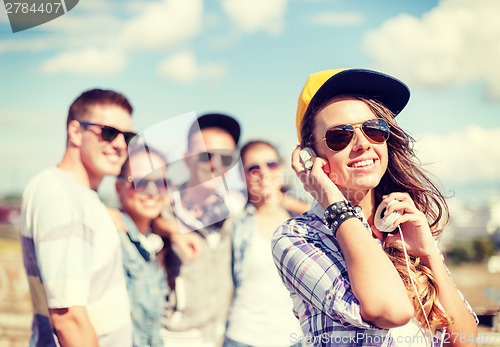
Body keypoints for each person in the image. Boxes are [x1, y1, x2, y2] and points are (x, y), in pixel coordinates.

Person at [271, 68, 478, 346]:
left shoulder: (404, 224)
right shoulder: (296, 237)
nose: (363, 144)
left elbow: (464, 340)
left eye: (374, 129)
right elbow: (391, 310)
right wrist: (333, 202)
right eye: (339, 136)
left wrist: (428, 253)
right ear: (309, 156)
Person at [19, 89, 135, 346]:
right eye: (108, 132)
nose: (120, 144)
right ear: (75, 132)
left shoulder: (80, 198)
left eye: (128, 136)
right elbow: (68, 318)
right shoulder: (61, 197)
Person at [159, 113, 245, 347]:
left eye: (226, 159)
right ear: (186, 158)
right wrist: (171, 229)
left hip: (224, 335)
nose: (215, 165)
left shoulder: (238, 209)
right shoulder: (162, 208)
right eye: (206, 155)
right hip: (176, 337)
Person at [224, 140, 305, 347]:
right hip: (242, 337)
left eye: (271, 164)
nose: (263, 172)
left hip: (293, 338)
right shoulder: (235, 219)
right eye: (253, 168)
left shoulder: (302, 220)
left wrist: (285, 200)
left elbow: (333, 218)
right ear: (242, 176)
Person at [115, 144, 170, 347]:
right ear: (118, 187)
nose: (152, 191)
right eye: (140, 182)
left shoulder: (157, 243)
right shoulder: (111, 238)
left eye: (161, 182)